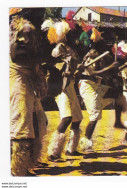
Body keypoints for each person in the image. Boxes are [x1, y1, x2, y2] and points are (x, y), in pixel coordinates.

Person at [10, 14, 48, 175]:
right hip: (17, 87)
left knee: (39, 124)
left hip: (27, 88)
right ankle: (16, 171)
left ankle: (24, 167)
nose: (25, 39)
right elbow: (17, 55)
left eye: (28, 36)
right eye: (22, 36)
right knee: (20, 130)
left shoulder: (30, 49)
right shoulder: (15, 49)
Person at [44, 20, 83, 160]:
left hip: (70, 85)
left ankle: (71, 149)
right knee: (67, 118)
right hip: (61, 87)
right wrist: (63, 72)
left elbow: (74, 68)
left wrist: (77, 71)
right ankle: (53, 152)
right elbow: (52, 67)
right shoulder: (58, 48)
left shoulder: (71, 49)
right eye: (69, 33)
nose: (73, 35)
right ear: (64, 35)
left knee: (77, 119)